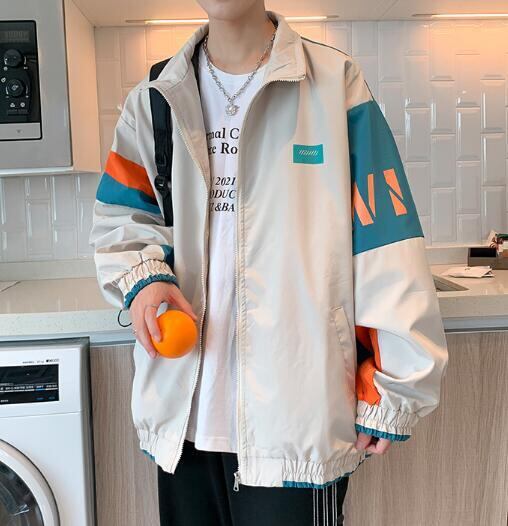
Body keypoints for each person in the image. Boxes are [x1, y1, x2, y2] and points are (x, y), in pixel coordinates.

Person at [89, 2, 449, 525]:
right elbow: (123, 217)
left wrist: (394, 387)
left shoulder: (334, 85)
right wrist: (145, 280)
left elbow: (385, 245)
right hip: (183, 419)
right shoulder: (155, 97)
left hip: (296, 424)